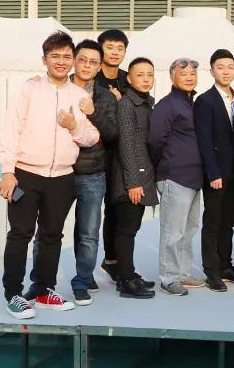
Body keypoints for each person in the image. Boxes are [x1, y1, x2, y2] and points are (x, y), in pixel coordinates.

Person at [0, 31, 100, 319]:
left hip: (62, 177)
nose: (61, 61)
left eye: (67, 56)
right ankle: (13, 294)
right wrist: (7, 172)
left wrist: (73, 126)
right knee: (20, 234)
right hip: (26, 173)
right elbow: (10, 131)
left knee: (52, 235)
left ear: (73, 61)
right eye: (55, 56)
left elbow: (92, 137)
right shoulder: (29, 89)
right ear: (44, 59)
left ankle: (44, 290)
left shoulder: (79, 96)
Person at [62, 40, 119, 305]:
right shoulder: (58, 89)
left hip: (92, 173)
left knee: (88, 232)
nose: (87, 66)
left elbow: (112, 134)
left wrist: (93, 112)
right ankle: (42, 282)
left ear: (99, 67)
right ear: (74, 60)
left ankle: (83, 280)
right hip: (59, 170)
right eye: (82, 60)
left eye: (93, 62)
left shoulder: (104, 97)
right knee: (50, 230)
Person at [150, 58, 206, 296]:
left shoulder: (191, 103)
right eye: (184, 74)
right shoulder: (168, 104)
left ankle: (182, 273)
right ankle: (168, 277)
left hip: (194, 177)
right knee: (172, 231)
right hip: (175, 175)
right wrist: (165, 166)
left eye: (193, 74)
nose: (189, 77)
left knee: (189, 229)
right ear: (172, 77)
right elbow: (155, 140)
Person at [110, 57, 158, 300]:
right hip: (130, 179)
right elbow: (127, 145)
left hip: (141, 175)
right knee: (127, 230)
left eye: (150, 74)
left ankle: (127, 273)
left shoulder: (146, 102)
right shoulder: (127, 104)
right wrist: (134, 182)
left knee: (131, 228)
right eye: (140, 75)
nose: (146, 79)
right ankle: (126, 281)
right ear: (129, 78)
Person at [194, 49, 234, 292]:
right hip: (217, 172)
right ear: (212, 71)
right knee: (213, 221)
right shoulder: (205, 100)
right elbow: (204, 139)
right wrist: (213, 173)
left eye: (230, 67)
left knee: (229, 221)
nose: (226, 71)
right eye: (220, 67)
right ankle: (211, 271)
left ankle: (225, 264)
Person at [96, 29, 129, 282]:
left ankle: (112, 260)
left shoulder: (129, 80)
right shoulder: (89, 77)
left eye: (120, 48)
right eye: (110, 47)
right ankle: (84, 270)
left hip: (121, 154)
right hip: (92, 154)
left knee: (115, 208)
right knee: (88, 214)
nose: (115, 52)